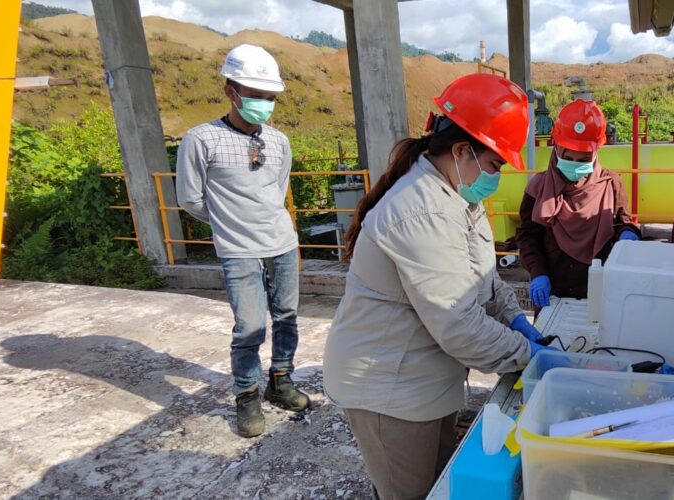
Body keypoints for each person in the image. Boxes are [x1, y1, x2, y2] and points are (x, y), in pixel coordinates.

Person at [323, 73, 552, 500]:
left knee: (441, 484)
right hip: (388, 389)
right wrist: (528, 357)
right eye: (496, 163)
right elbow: (459, 325)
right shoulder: (421, 211)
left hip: (428, 378)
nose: (497, 176)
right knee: (410, 493)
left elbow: (485, 278)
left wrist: (518, 321)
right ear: (463, 150)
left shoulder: (461, 197)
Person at [175, 44, 309, 438]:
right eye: (254, 94)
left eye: (269, 97)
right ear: (230, 90)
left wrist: (263, 219)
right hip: (238, 251)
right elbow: (190, 198)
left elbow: (276, 188)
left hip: (282, 244)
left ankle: (280, 379)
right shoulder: (201, 140)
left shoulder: (279, 141)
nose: (263, 103)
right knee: (249, 326)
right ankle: (246, 395)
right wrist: (229, 223)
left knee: (286, 317)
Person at [516, 99, 642, 310]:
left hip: (598, 291)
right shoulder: (537, 188)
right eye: (568, 156)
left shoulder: (611, 184)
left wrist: (627, 234)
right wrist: (538, 273)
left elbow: (623, 222)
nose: (574, 164)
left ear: (595, 154)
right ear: (556, 150)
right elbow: (528, 237)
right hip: (552, 290)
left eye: (583, 159)